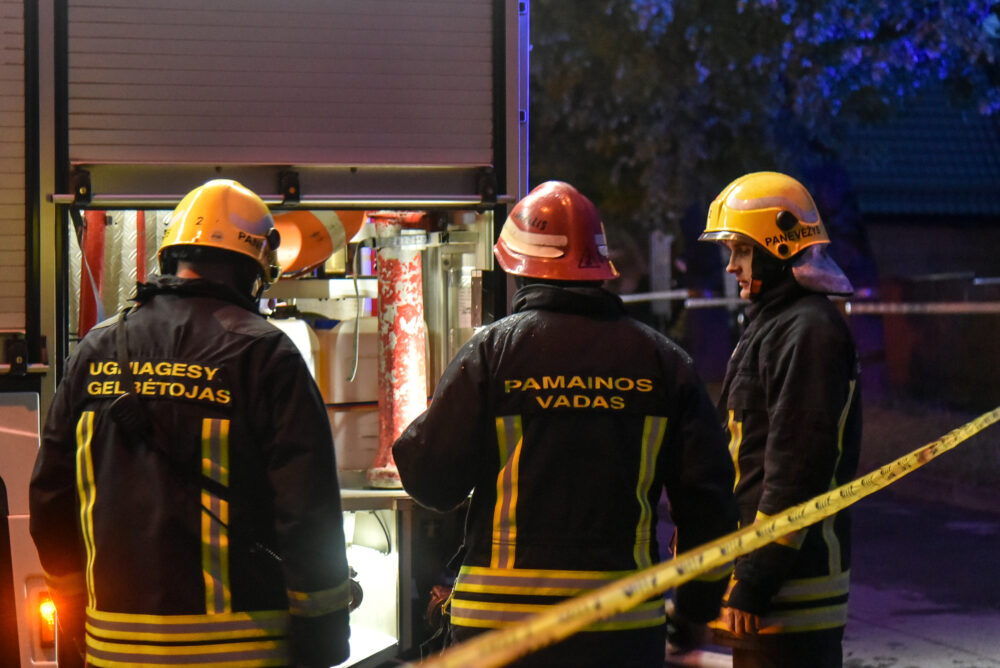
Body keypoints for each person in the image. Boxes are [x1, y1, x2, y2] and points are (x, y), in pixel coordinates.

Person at [392, 180, 738, 667]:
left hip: (499, 632)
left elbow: (430, 480)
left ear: (518, 269)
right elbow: (710, 502)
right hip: (621, 633)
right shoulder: (665, 363)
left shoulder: (492, 353)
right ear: (599, 269)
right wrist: (696, 607)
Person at [29, 179, 352, 667]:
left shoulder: (95, 350)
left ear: (170, 256)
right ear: (254, 270)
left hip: (116, 653)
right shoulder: (267, 355)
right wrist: (323, 640)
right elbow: (308, 512)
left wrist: (77, 616)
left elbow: (50, 499)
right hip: (240, 654)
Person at [699, 171, 862, 668]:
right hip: (769, 592)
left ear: (777, 248)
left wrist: (756, 579)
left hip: (791, 594)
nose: (732, 265)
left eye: (741, 251)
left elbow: (796, 469)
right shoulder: (775, 325)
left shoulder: (808, 331)